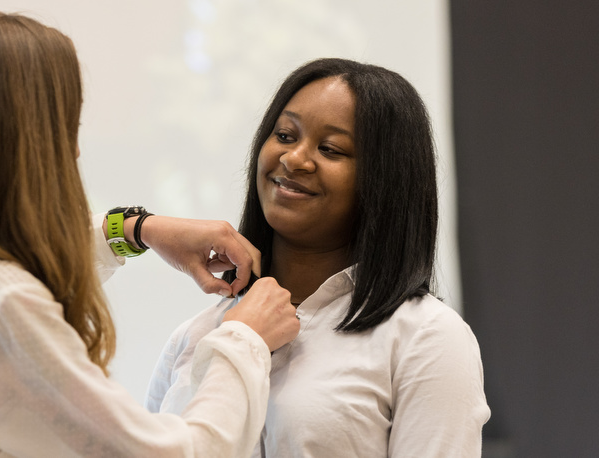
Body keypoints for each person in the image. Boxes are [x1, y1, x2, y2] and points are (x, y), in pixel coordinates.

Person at [0, 11, 301, 457]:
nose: (74, 150)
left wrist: (134, 230)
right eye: (64, 128)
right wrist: (245, 340)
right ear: (23, 146)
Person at [146, 58, 491, 457]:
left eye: (329, 149)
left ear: (384, 181)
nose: (294, 159)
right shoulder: (194, 335)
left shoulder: (425, 337)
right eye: (285, 135)